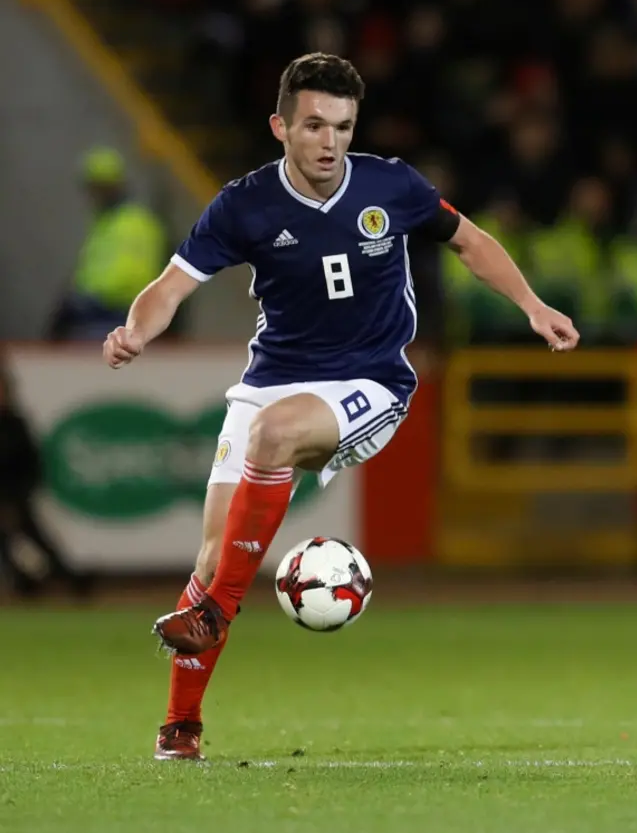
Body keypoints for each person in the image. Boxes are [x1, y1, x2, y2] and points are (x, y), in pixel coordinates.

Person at [102, 53, 580, 761]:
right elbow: (171, 285)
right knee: (212, 555)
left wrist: (533, 305)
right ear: (281, 127)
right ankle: (181, 725)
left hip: (372, 381)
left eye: (344, 126)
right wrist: (136, 327)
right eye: (316, 125)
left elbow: (471, 242)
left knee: (273, 440)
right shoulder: (246, 204)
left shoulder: (393, 185)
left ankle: (214, 612)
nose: (330, 142)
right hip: (272, 378)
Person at [49, 147, 166, 341]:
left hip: (117, 316)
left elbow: (130, 278)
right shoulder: (108, 222)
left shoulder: (134, 223)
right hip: (101, 313)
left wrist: (84, 301)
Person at [0, 366, 89, 598]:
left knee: (33, 531)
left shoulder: (16, 425)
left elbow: (30, 464)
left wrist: (18, 496)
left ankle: (62, 576)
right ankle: (23, 579)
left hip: (17, 495)